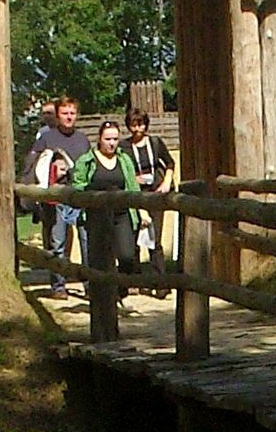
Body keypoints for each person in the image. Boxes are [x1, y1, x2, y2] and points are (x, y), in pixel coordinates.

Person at [21, 96, 90, 299]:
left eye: (72, 113)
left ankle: (89, 284)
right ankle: (58, 285)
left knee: (87, 242)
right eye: (65, 113)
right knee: (57, 242)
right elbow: (33, 164)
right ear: (57, 115)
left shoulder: (83, 139)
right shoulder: (47, 138)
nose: (69, 117)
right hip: (56, 197)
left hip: (80, 197)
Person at [71, 119, 142, 305]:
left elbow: (132, 186)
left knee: (127, 256)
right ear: (99, 139)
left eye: (115, 139)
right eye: (108, 139)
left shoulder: (124, 159)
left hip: (121, 213)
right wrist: (89, 192)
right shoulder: (86, 160)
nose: (111, 143)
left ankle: (120, 288)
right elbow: (77, 186)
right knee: (101, 259)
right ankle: (104, 300)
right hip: (97, 216)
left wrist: (143, 211)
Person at [124, 109, 175, 296]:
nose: (138, 128)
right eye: (134, 124)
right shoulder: (124, 147)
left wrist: (166, 181)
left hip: (155, 194)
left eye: (141, 124)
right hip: (135, 194)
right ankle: (135, 280)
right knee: (134, 237)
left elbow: (169, 163)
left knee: (155, 238)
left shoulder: (155, 143)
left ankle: (160, 282)